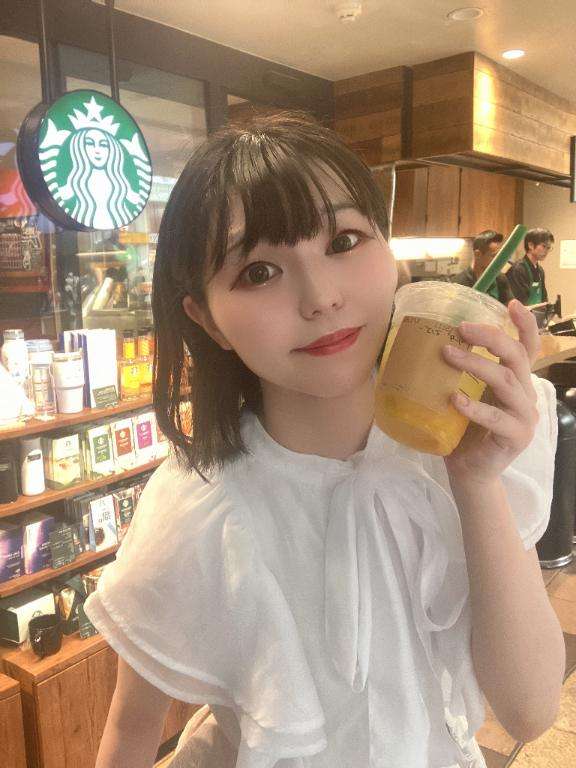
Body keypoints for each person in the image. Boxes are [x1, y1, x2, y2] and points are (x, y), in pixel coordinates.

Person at [84, 115, 565, 768]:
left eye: (343, 240)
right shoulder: (200, 505)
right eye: (259, 271)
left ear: (388, 251)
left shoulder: (465, 439)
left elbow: (529, 710)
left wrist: (476, 480)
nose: (321, 298)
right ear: (206, 319)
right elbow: (131, 730)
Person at [452, 229, 514, 306]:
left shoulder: (500, 278)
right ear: (477, 254)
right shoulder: (459, 283)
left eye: (499, 256)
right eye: (493, 256)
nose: (499, 260)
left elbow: (510, 306)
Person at [507, 228, 554, 306]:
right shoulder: (517, 269)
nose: (546, 251)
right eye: (544, 246)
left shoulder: (540, 271)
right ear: (531, 245)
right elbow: (519, 303)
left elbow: (544, 298)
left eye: (548, 248)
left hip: (537, 313)